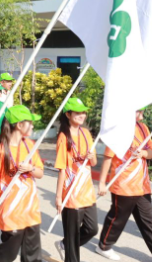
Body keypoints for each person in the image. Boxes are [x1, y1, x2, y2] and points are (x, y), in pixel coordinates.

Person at [98, 108, 152, 262]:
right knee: (118, 218)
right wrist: (102, 182)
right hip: (123, 184)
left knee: (148, 221)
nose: (142, 114)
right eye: (138, 111)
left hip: (141, 184)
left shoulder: (143, 128)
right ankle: (104, 246)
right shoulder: (117, 129)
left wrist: (142, 153)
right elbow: (108, 157)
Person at [0, 105, 44, 262]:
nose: (32, 126)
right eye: (30, 122)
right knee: (9, 251)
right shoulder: (0, 152)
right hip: (11, 211)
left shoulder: (30, 146)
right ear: (19, 125)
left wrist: (30, 168)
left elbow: (40, 173)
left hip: (31, 208)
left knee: (33, 253)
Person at [53, 98, 98, 262]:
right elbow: (62, 168)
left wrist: (92, 157)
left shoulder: (86, 133)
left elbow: (93, 163)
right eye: (77, 112)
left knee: (92, 229)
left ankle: (65, 244)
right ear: (68, 114)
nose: (81, 115)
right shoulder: (63, 137)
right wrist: (59, 197)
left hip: (87, 190)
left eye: (83, 112)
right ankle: (70, 249)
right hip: (71, 192)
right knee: (73, 235)